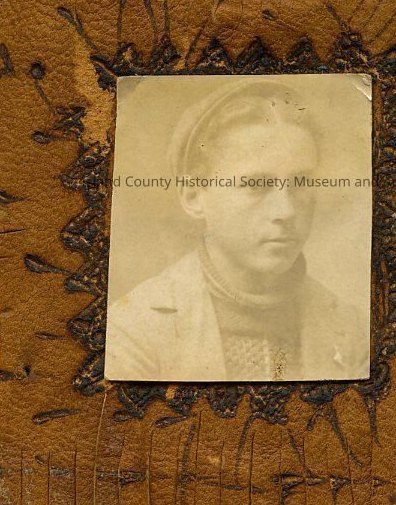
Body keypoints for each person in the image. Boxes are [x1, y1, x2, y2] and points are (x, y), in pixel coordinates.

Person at [105, 79, 368, 382]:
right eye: (256, 184)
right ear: (194, 196)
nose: (286, 211)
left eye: (301, 182)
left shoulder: (351, 330)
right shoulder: (133, 332)